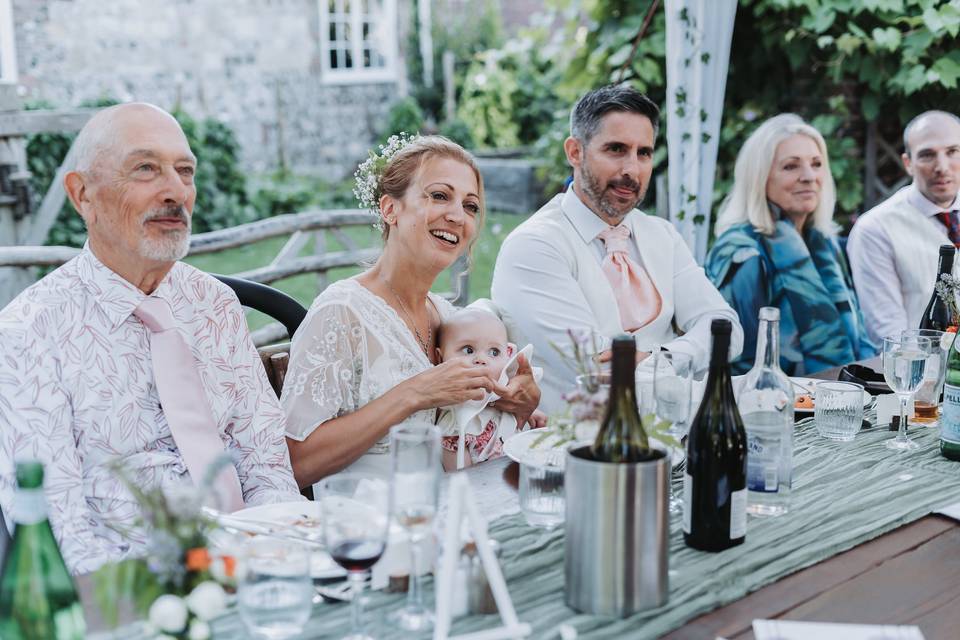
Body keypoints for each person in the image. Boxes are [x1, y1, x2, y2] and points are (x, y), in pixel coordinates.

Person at [0, 103, 301, 575]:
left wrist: (275, 559)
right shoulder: (26, 334)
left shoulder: (215, 304)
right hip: (132, 594)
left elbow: (267, 465)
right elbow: (62, 537)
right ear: (83, 195)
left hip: (259, 567)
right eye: (146, 169)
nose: (176, 191)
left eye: (185, 171)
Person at [281, 136, 540, 489]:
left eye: (470, 206)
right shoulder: (341, 312)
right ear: (390, 210)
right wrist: (415, 392)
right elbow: (294, 463)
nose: (457, 215)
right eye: (439, 196)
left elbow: (477, 427)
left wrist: (519, 401)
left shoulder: (449, 318)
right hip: (370, 525)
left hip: (458, 510)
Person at [491, 84, 743, 412]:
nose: (632, 170)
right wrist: (690, 356)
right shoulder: (534, 246)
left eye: (644, 153)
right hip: (575, 447)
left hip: (676, 433)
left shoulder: (662, 235)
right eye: (616, 149)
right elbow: (601, 371)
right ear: (575, 152)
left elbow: (727, 329)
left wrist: (663, 358)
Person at [704, 114, 875, 375]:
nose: (808, 176)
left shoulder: (824, 243)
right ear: (760, 177)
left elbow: (859, 333)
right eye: (790, 166)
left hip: (847, 398)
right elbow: (737, 362)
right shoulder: (742, 253)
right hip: (780, 406)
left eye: (816, 164)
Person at [847, 111, 960, 343]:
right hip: (923, 373)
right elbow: (889, 336)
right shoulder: (875, 230)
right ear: (908, 163)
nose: (942, 166)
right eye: (927, 155)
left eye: (952, 152)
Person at [434, 307, 546, 470]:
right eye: (468, 350)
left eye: (494, 352)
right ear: (440, 357)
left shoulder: (506, 398)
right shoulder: (455, 426)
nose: (481, 359)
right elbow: (462, 479)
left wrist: (530, 413)